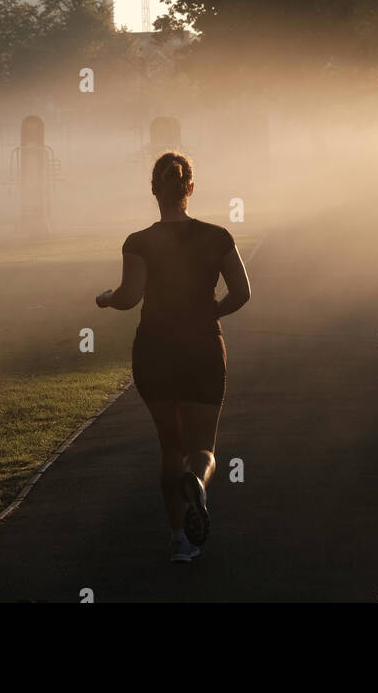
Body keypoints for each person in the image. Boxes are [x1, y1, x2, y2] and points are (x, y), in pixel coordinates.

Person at [96, 151, 251, 562]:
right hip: (203, 347)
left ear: (154, 190)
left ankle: (180, 540)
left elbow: (129, 298)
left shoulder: (139, 242)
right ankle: (198, 482)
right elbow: (242, 293)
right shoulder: (218, 237)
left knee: (170, 446)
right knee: (203, 448)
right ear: (190, 189)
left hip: (155, 350)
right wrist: (210, 312)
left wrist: (107, 298)